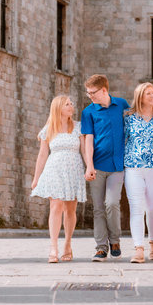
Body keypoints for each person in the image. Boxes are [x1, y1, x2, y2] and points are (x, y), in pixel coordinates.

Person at [31, 95, 90, 263]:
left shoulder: (78, 127)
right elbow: (42, 155)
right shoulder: (49, 129)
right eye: (67, 104)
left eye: (71, 104)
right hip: (54, 169)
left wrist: (89, 167)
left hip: (73, 170)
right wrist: (36, 178)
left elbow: (85, 151)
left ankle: (68, 244)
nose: (71, 107)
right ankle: (53, 247)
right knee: (55, 206)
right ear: (58, 108)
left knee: (70, 210)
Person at [81, 74, 130, 262]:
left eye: (93, 93)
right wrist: (89, 166)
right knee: (99, 208)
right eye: (88, 93)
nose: (90, 96)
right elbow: (88, 140)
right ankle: (101, 248)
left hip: (118, 166)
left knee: (112, 203)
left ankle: (115, 241)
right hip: (98, 166)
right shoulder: (88, 112)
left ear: (104, 90)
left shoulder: (122, 105)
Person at [123, 82, 153, 263]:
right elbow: (122, 141)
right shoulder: (129, 118)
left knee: (152, 208)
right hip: (133, 168)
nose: (152, 96)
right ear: (140, 97)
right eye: (148, 93)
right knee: (136, 208)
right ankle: (138, 249)